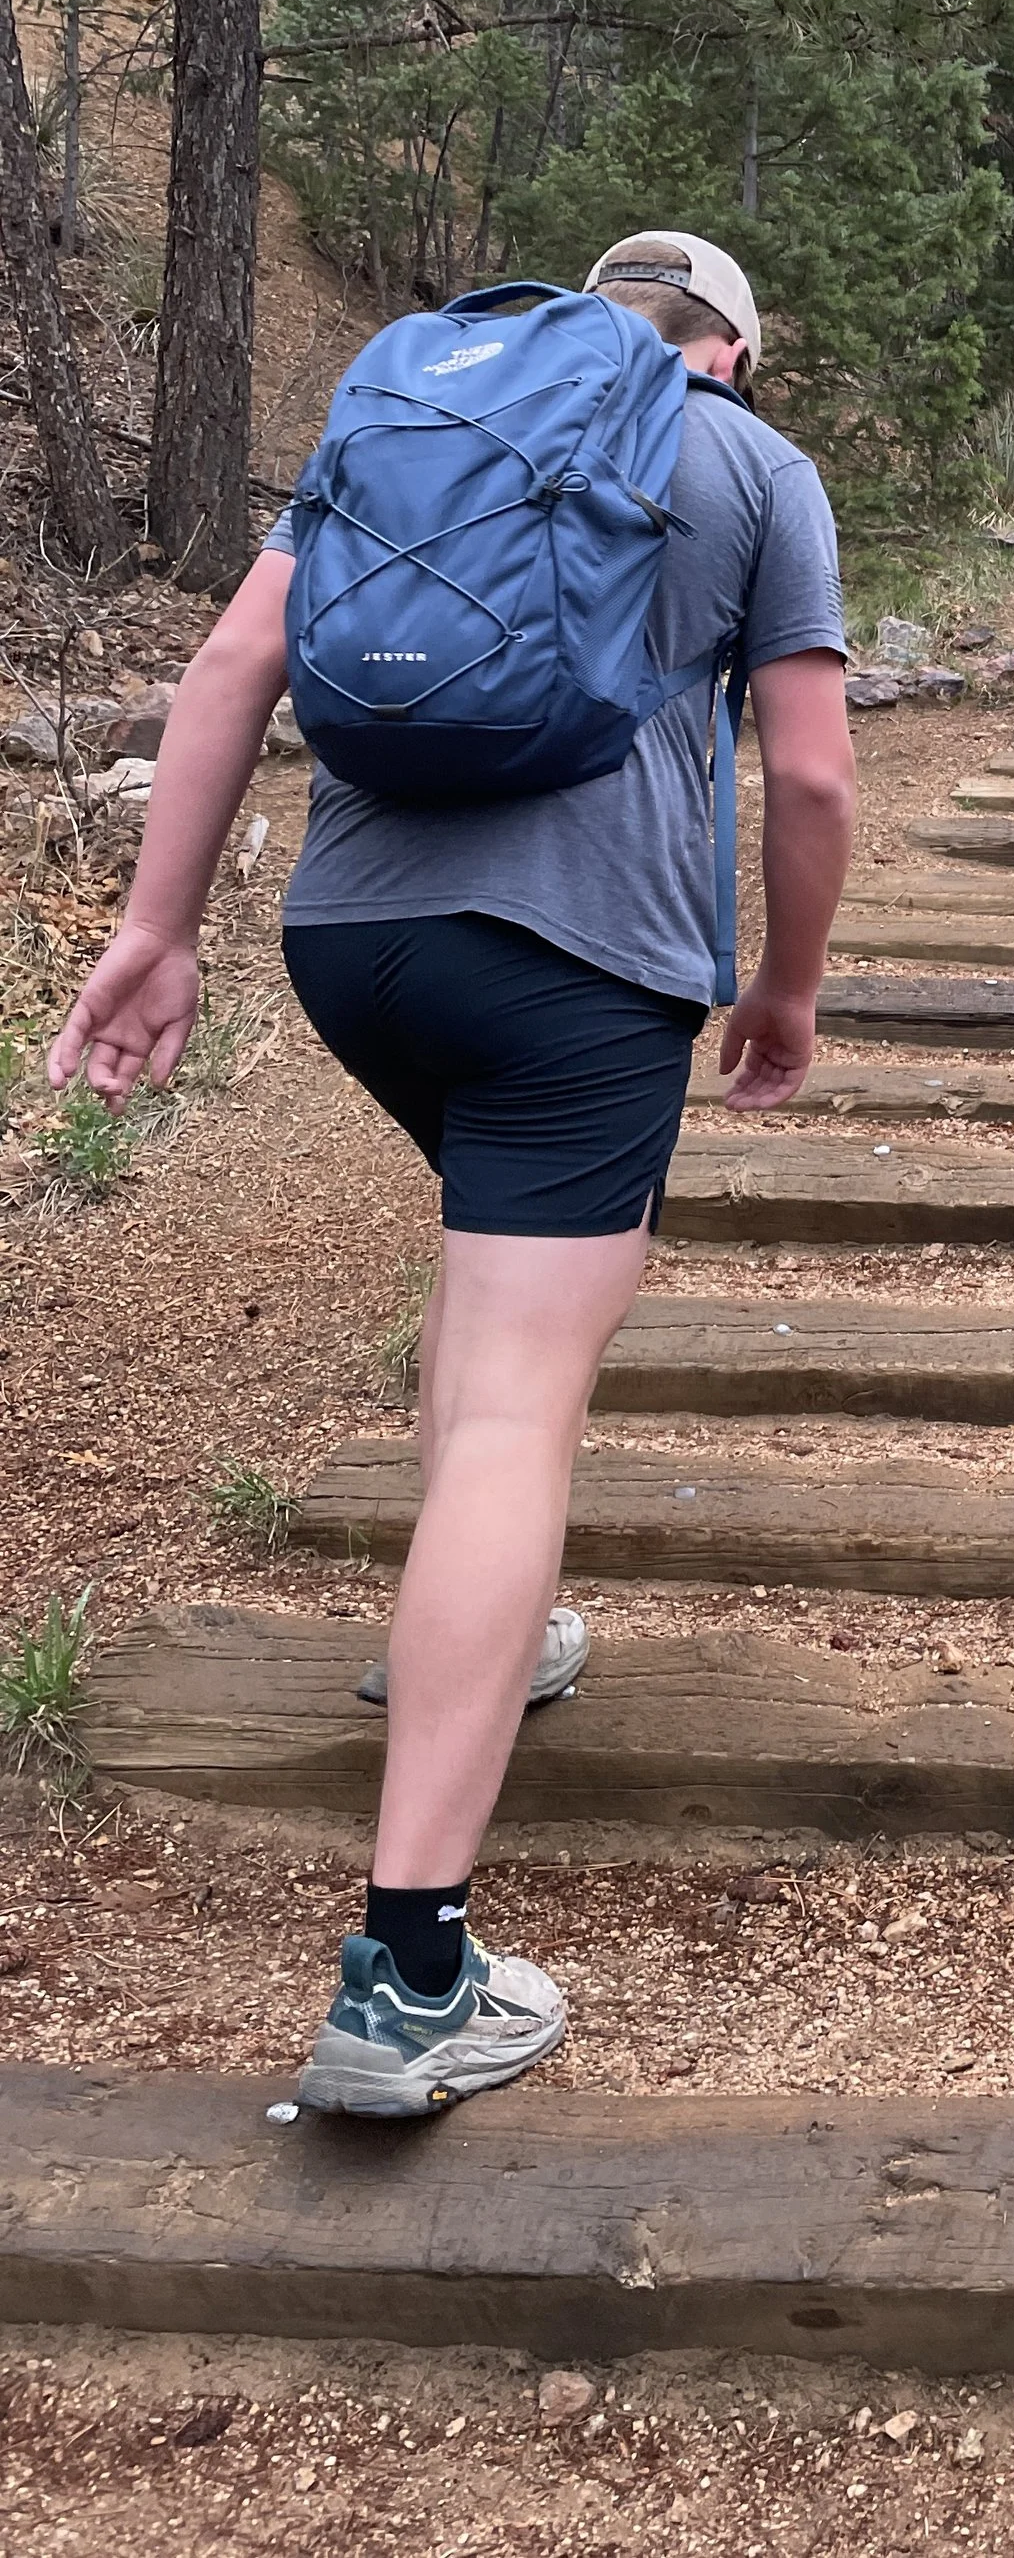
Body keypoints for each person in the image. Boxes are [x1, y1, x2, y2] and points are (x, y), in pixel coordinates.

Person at [48, 231, 854, 2113]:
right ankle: (410, 1974)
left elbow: (232, 664)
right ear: (736, 344)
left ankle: (484, 1636)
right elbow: (808, 780)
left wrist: (160, 930)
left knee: (490, 1290)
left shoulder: (411, 407)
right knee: (516, 1406)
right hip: (576, 966)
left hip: (357, 945)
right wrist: (790, 991)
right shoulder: (748, 462)